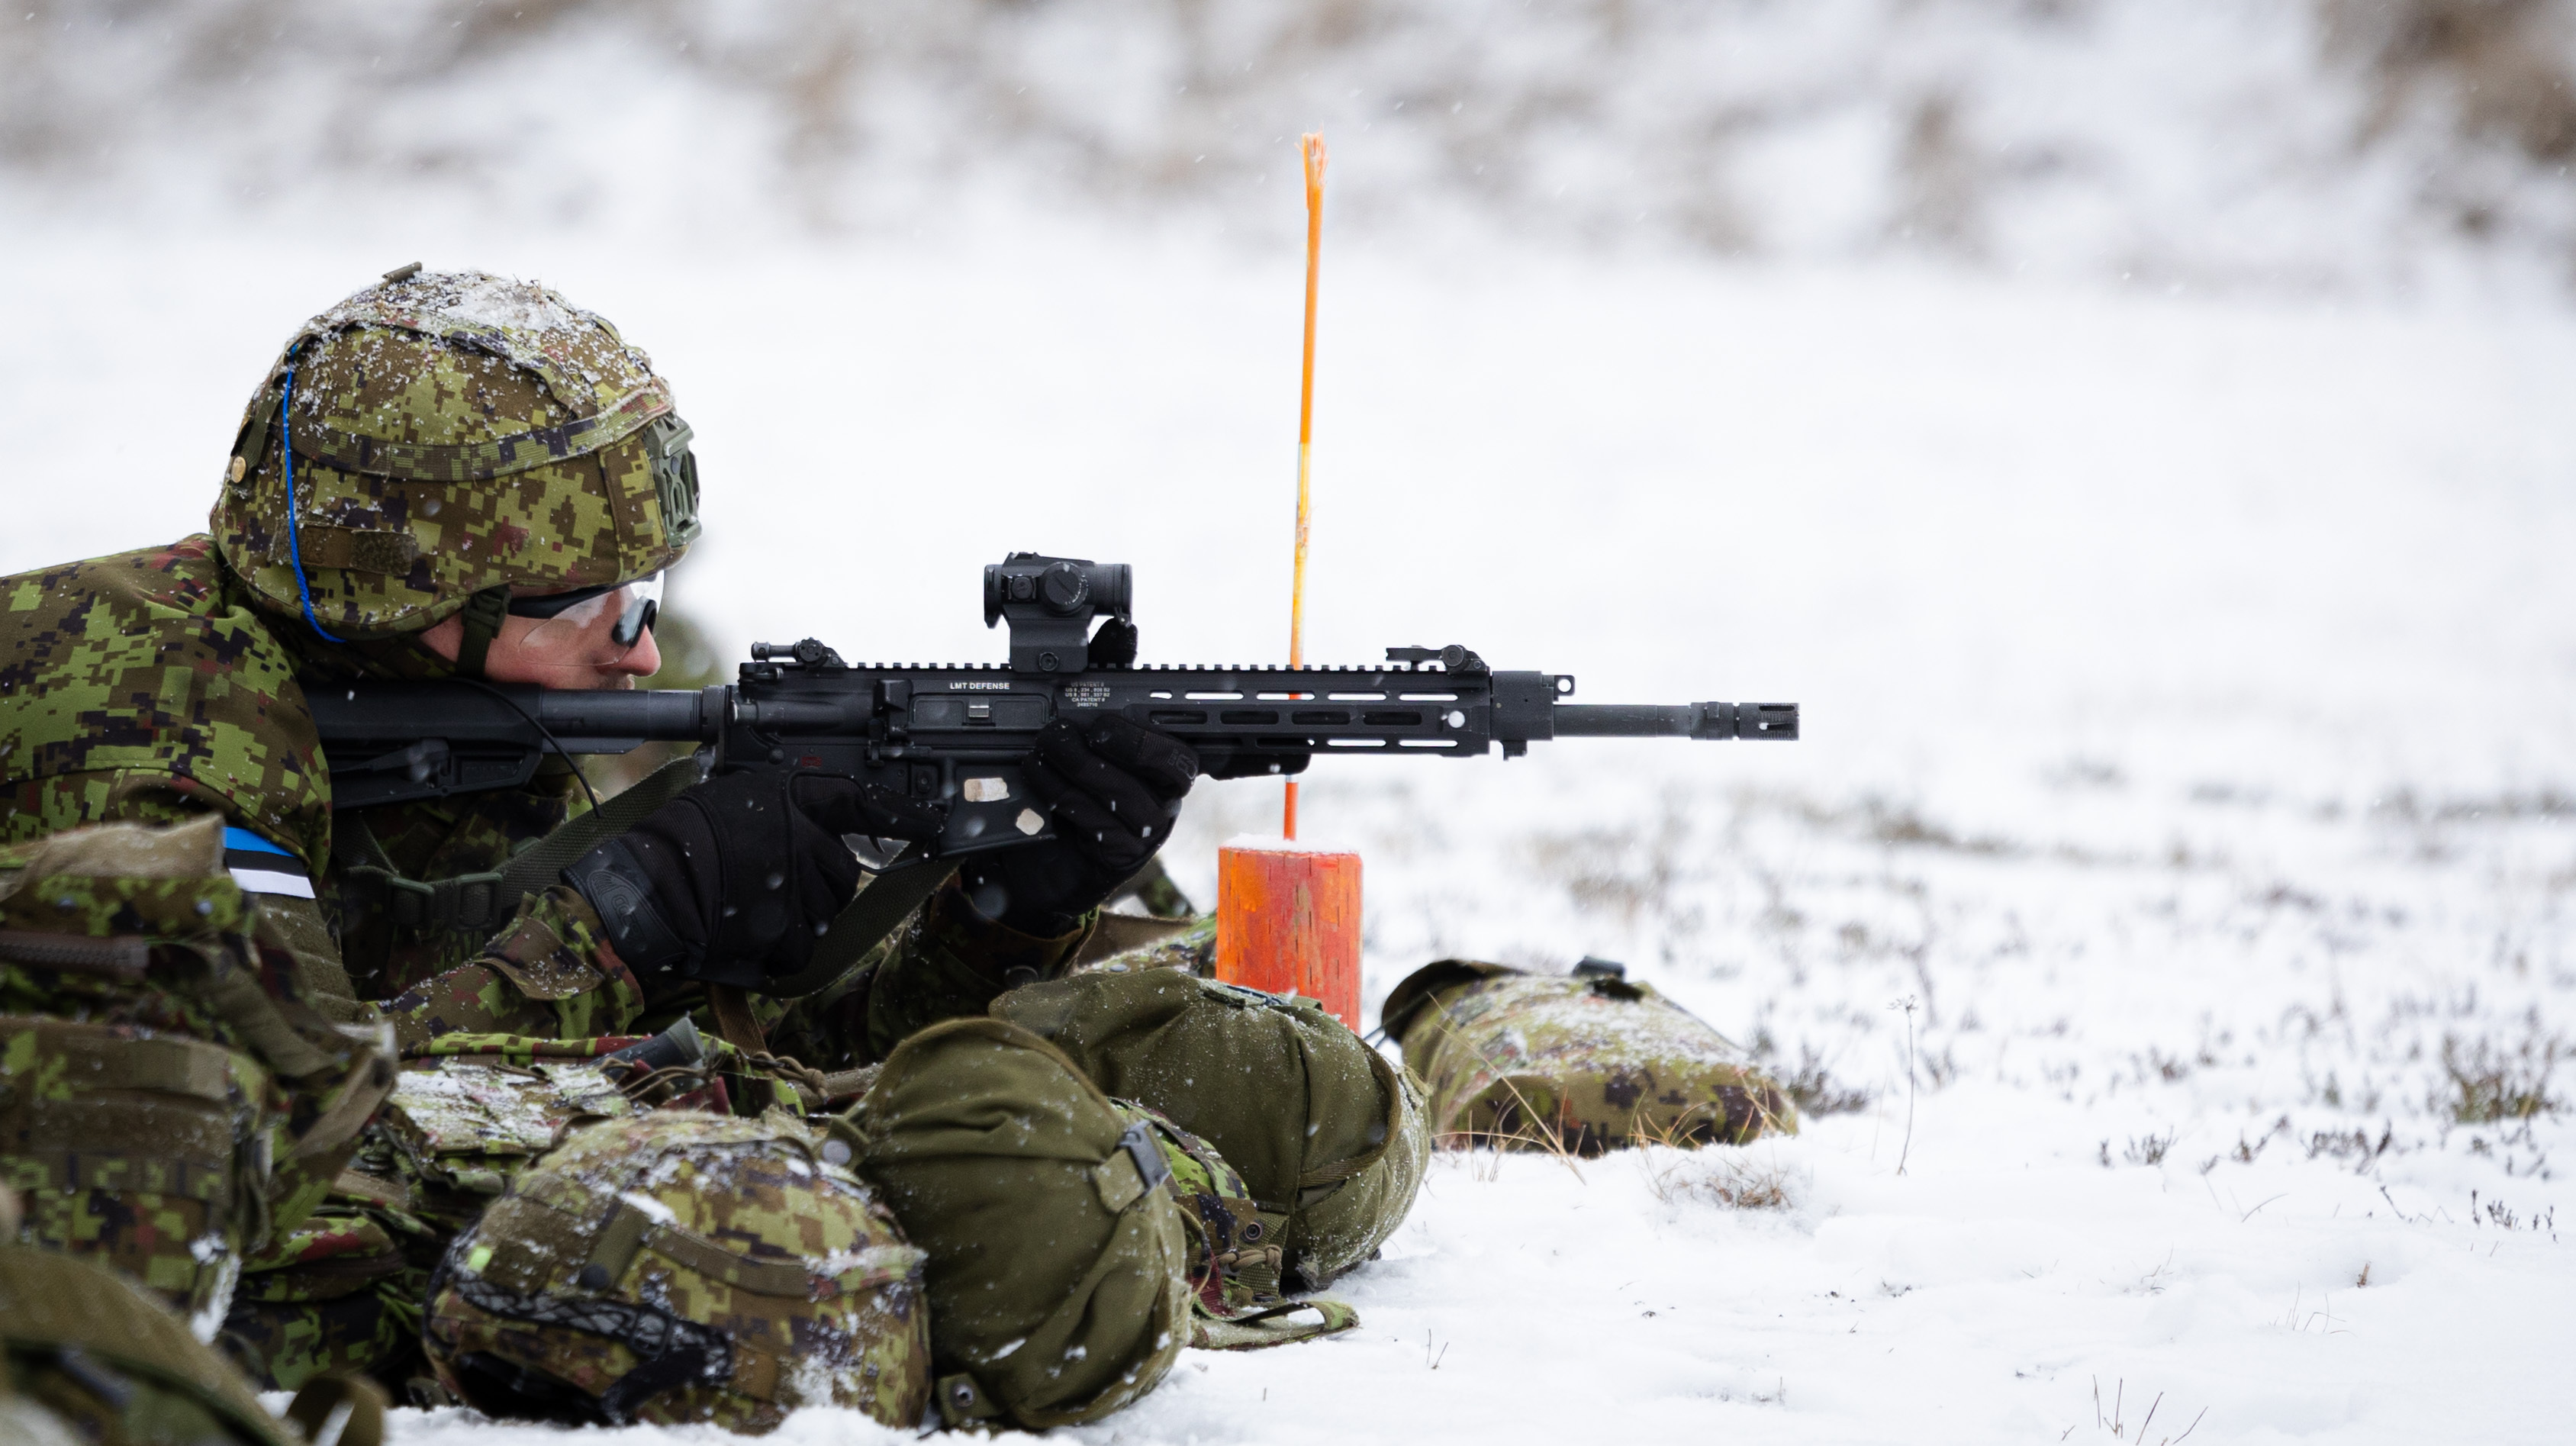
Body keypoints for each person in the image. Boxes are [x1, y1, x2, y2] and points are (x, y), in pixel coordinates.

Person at [0, 267, 1195, 1388]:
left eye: (647, 595)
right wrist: (630, 917)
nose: (635, 647)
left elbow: (721, 1052)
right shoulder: (150, 727)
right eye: (587, 604)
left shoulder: (421, 711)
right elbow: (275, 1156)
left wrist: (1009, 912)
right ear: (410, 592)